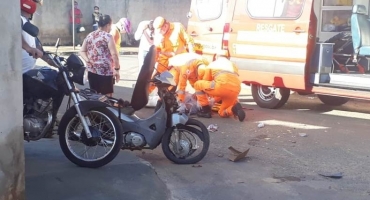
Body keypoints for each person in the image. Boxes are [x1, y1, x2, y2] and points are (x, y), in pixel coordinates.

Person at [194, 50, 246, 122]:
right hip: (236, 89)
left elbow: (206, 81)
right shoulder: (233, 65)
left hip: (221, 87)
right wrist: (214, 100)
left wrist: (208, 100)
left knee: (198, 84)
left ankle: (205, 110)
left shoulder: (212, 64)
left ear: (216, 56)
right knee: (222, 112)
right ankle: (234, 109)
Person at [148, 16, 195, 95]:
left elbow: (189, 41)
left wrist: (192, 58)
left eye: (160, 30)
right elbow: (157, 50)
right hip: (164, 61)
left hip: (178, 61)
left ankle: (164, 99)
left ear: (165, 25)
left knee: (172, 81)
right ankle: (144, 96)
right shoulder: (159, 33)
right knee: (154, 79)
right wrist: (152, 64)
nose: (159, 33)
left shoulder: (178, 27)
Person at [79, 15, 121, 97]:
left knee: (95, 96)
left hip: (92, 71)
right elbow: (114, 55)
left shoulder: (90, 35)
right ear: (108, 25)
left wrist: (87, 60)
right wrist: (117, 69)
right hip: (105, 72)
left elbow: (82, 51)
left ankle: (96, 110)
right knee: (107, 97)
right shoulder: (108, 36)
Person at [21, 0, 55, 74]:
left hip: (28, 71)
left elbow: (37, 46)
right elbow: (15, 35)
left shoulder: (26, 23)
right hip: (19, 73)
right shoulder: (18, 19)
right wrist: (29, 49)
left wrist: (54, 61)